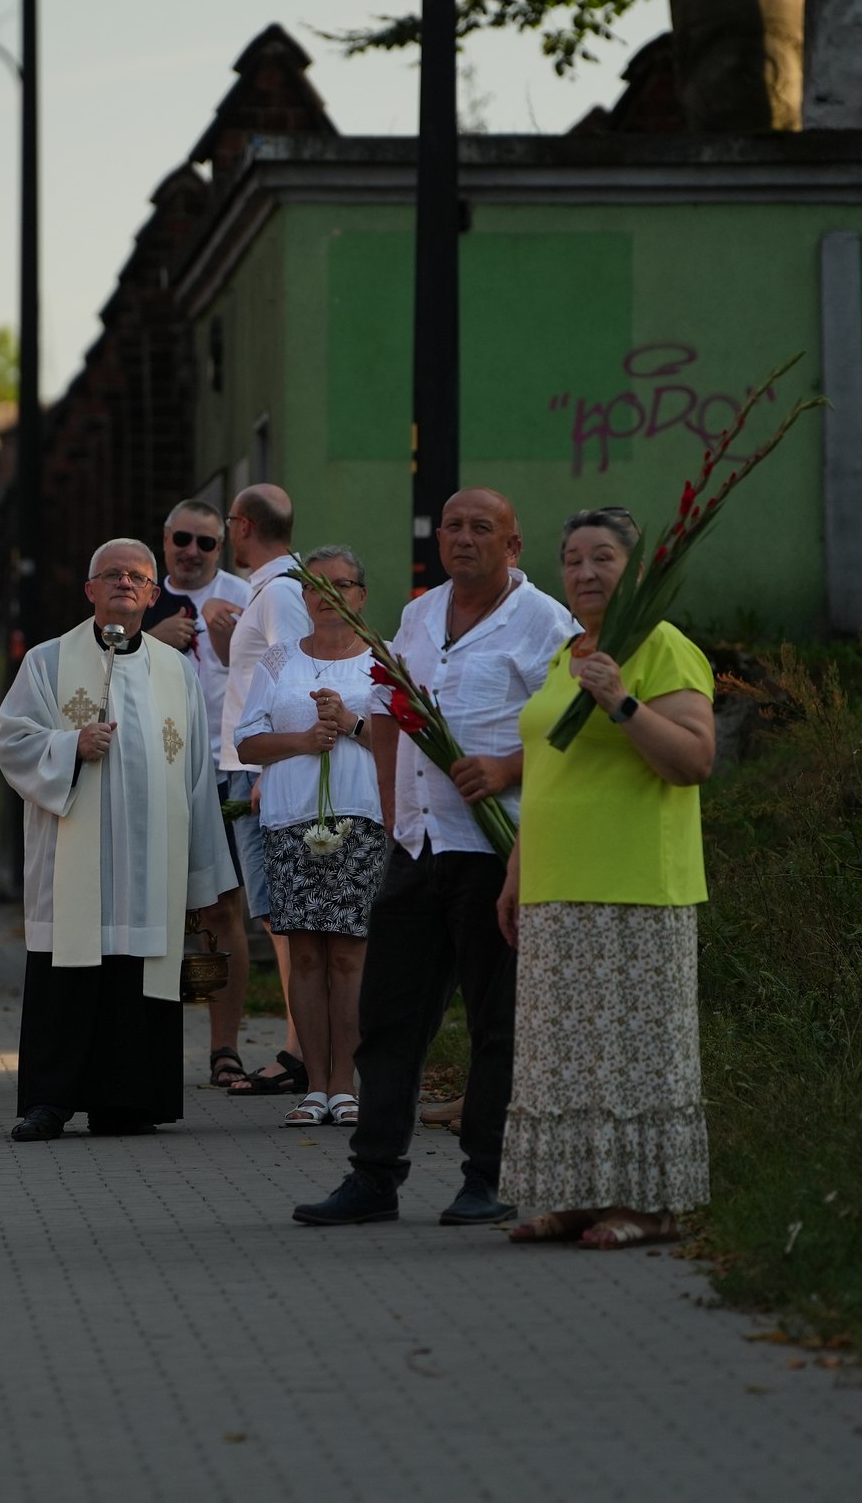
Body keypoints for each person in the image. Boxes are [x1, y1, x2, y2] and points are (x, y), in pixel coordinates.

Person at [294, 488, 577, 1227]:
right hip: (419, 847)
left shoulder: (545, 621)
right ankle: (373, 1175)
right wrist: (395, 811)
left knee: (496, 1023)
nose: (463, 538)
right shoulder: (421, 615)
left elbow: (575, 727)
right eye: (453, 526)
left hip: (498, 850)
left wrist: (508, 768)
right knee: (389, 1017)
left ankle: (489, 1175)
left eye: (482, 527)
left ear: (513, 545)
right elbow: (389, 709)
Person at [498, 506, 716, 1248]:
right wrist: (517, 870)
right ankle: (580, 1196)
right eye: (573, 560)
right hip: (556, 885)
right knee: (564, 1057)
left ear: (637, 569)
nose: (586, 572)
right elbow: (546, 769)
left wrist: (621, 702)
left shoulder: (662, 647)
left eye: (603, 558)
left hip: (636, 886)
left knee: (633, 1057)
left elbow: (693, 760)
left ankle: (650, 1207)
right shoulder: (568, 652)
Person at [0, 538, 237, 1141]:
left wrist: (203, 877)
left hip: (149, 867)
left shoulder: (177, 670)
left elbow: (196, 776)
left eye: (136, 577)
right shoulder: (48, 662)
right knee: (68, 974)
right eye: (112, 575)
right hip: (71, 863)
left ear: (153, 595)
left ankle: (127, 1102)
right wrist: (70, 746)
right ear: (90, 590)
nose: (125, 583)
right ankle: (49, 1102)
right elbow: (13, 742)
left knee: (139, 971)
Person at [233, 544, 388, 1127]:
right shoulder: (279, 660)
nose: (328, 596)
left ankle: (346, 1084)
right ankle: (314, 1086)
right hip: (290, 820)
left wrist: (351, 724)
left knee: (347, 954)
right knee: (303, 954)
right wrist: (303, 741)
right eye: (316, 587)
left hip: (360, 819)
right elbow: (247, 742)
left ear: (361, 595)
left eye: (340, 585)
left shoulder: (382, 659)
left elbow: (410, 741)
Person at [141, 499, 258, 1091]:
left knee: (222, 911)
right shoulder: (140, 600)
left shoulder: (247, 597)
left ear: (222, 547)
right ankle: (147, 1046)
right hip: (156, 773)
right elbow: (101, 672)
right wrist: (150, 639)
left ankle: (224, 1047)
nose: (192, 551)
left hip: (226, 770)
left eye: (206, 542)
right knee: (154, 911)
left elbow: (276, 670)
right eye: (182, 539)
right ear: (165, 539)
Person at [212, 483, 311, 1096]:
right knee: (278, 914)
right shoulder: (270, 589)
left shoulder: (279, 592)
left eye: (228, 523)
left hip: (261, 770)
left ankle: (301, 1052)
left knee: (283, 916)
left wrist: (271, 769)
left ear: (243, 525)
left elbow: (294, 671)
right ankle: (303, 1049)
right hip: (250, 766)